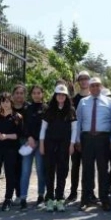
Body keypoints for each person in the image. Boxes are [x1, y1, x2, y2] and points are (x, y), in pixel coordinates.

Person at [76, 77, 111, 211]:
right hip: (87, 138)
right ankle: (86, 199)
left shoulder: (109, 102)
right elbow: (78, 122)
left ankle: (104, 199)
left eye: (97, 85)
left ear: (101, 87)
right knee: (87, 170)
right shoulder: (83, 102)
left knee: (103, 170)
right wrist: (77, 139)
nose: (94, 88)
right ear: (89, 87)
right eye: (92, 86)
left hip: (103, 139)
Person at [39, 84, 78, 213]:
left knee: (62, 171)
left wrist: (72, 144)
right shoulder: (49, 110)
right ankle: (50, 198)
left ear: (66, 96)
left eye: (63, 95)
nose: (61, 97)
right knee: (49, 171)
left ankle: (60, 198)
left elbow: (74, 129)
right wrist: (41, 144)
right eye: (58, 94)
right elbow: (43, 128)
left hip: (64, 145)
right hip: (50, 144)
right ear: (55, 96)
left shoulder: (71, 110)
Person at [0, 92, 22, 211]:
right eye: (3, 101)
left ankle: (8, 199)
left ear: (11, 102)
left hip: (10, 149)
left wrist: (6, 136)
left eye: (7, 101)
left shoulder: (17, 117)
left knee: (10, 174)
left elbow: (18, 135)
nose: (5, 104)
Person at [19, 85, 48, 209]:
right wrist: (29, 137)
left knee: (41, 171)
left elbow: (46, 127)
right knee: (25, 171)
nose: (36, 95)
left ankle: (41, 196)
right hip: (28, 143)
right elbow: (23, 125)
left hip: (40, 143)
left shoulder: (46, 108)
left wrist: (40, 141)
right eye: (34, 93)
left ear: (42, 94)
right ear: (31, 95)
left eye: (38, 93)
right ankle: (23, 198)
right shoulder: (27, 108)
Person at [68, 71, 91, 204]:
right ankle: (73, 192)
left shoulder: (93, 98)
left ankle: (88, 193)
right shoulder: (73, 100)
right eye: (81, 79)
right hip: (76, 137)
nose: (83, 81)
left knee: (88, 167)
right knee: (75, 165)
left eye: (86, 79)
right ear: (78, 82)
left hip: (89, 137)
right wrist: (75, 139)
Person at [10, 84, 28, 203]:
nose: (19, 95)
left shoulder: (28, 108)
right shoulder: (8, 107)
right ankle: (9, 194)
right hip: (10, 141)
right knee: (10, 168)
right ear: (13, 95)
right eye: (17, 93)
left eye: (21, 93)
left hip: (23, 141)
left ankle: (19, 194)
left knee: (21, 168)